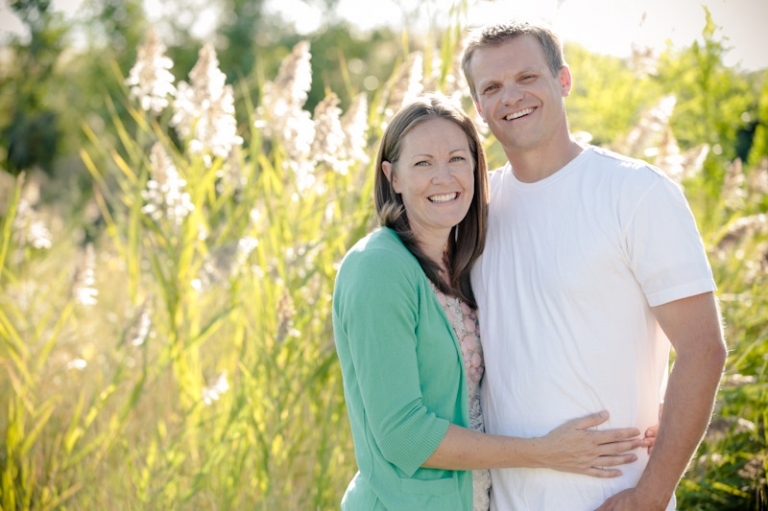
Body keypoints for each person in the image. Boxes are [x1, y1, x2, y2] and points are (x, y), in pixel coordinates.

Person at [332, 93, 650, 511]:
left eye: (457, 159)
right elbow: (403, 436)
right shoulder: (379, 268)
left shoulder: (463, 263)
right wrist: (544, 452)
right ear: (393, 177)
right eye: (423, 163)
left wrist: (644, 407)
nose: (444, 178)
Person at [461, 20, 728, 510]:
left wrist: (649, 496)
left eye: (527, 78)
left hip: (614, 500)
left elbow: (703, 349)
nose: (511, 97)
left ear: (563, 80)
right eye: (492, 88)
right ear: (479, 108)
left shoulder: (636, 192)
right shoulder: (475, 209)